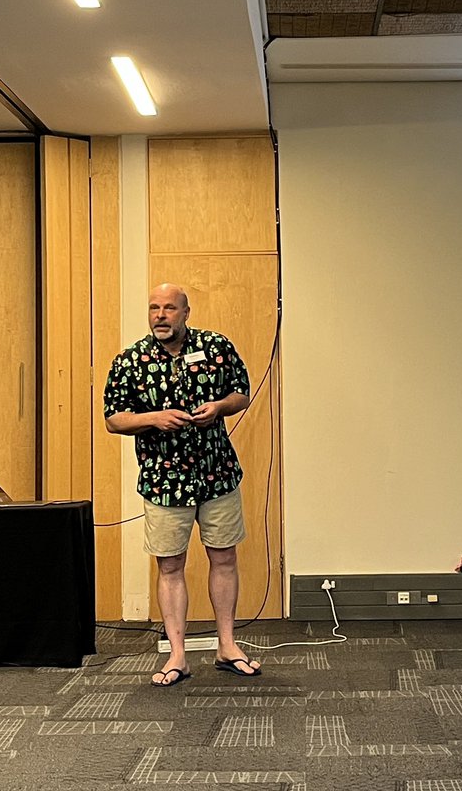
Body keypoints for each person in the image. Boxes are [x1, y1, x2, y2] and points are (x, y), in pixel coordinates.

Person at [103, 283, 260, 686]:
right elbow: (114, 418)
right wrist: (154, 417)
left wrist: (220, 407)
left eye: (169, 308)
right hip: (164, 480)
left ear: (186, 312)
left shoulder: (216, 346)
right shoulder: (130, 360)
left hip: (217, 473)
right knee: (170, 565)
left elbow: (241, 393)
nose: (160, 315)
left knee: (224, 558)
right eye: (154, 307)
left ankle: (227, 645)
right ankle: (177, 656)